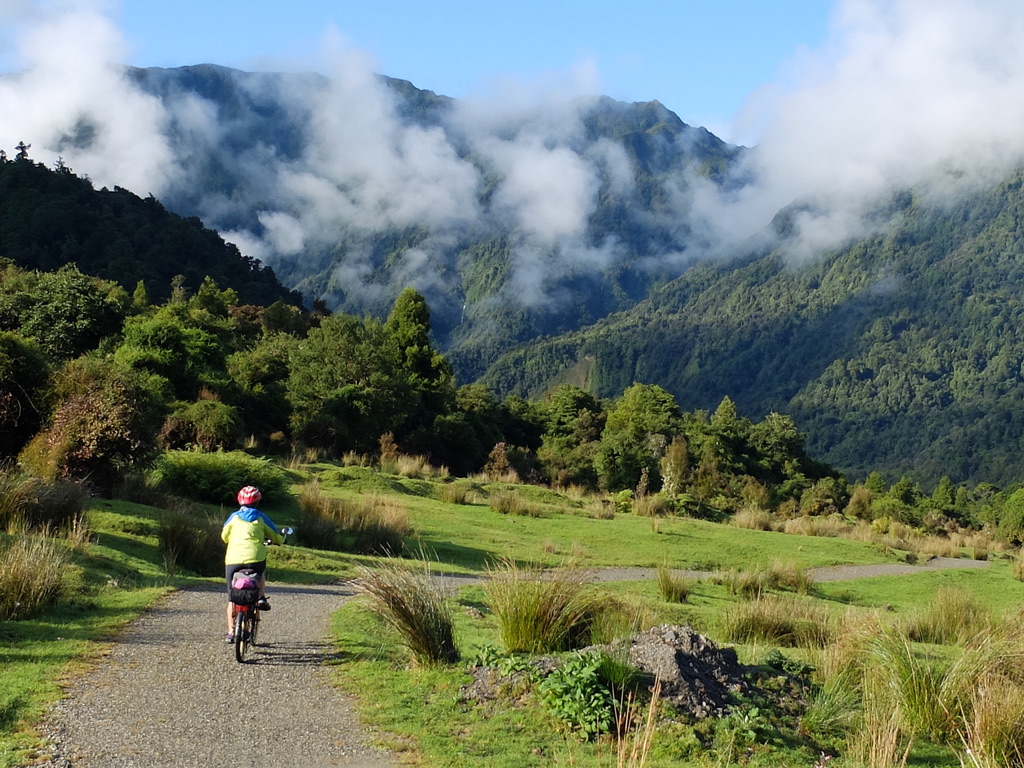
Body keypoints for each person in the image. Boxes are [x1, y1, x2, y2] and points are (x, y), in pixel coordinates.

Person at [222, 485, 286, 642]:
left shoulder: (233, 517)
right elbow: (277, 537)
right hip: (255, 558)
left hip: (233, 560)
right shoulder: (261, 518)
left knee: (231, 597)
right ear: (257, 502)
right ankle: (261, 597)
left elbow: (224, 536)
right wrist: (282, 539)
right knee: (260, 573)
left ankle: (231, 632)